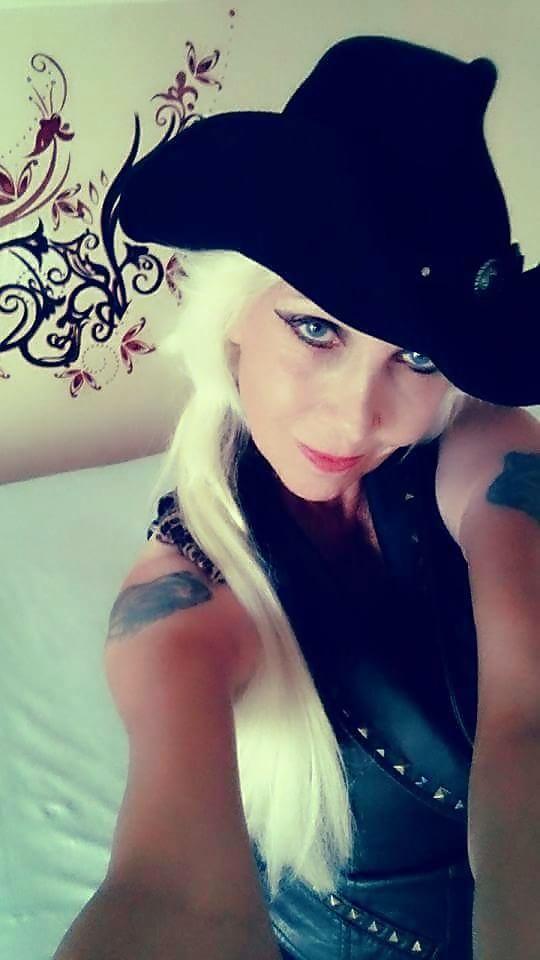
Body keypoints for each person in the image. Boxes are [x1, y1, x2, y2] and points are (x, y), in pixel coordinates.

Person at [54, 34, 540, 960]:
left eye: (417, 356)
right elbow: (168, 898)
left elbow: (532, 727)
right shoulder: (181, 601)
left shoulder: (487, 452)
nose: (357, 417)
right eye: (316, 329)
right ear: (231, 315)